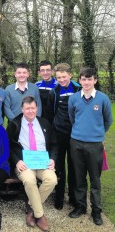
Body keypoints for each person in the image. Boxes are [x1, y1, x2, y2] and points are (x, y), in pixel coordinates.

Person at [68, 67, 113, 226]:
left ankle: (96, 210)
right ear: (79, 80)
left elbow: (108, 121)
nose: (86, 82)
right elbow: (72, 118)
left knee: (95, 179)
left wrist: (97, 134)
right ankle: (81, 206)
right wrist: (81, 133)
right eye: (83, 79)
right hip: (76, 143)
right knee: (79, 178)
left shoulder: (103, 99)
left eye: (90, 79)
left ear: (95, 80)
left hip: (95, 145)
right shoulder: (73, 98)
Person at [7, 96, 58, 231]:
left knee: (52, 180)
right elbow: (8, 146)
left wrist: (52, 159)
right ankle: (39, 215)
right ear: (22, 109)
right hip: (25, 164)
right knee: (29, 180)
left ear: (37, 108)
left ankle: (31, 208)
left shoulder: (45, 123)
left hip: (43, 162)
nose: (30, 111)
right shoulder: (15, 124)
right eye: (27, 108)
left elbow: (54, 145)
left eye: (33, 108)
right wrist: (17, 161)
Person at [47, 63, 81, 210]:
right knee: (59, 167)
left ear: (70, 75)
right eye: (58, 77)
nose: (61, 80)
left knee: (74, 167)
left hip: (75, 135)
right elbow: (50, 113)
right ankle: (59, 197)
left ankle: (73, 198)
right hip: (59, 134)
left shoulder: (79, 89)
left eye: (64, 77)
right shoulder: (54, 92)